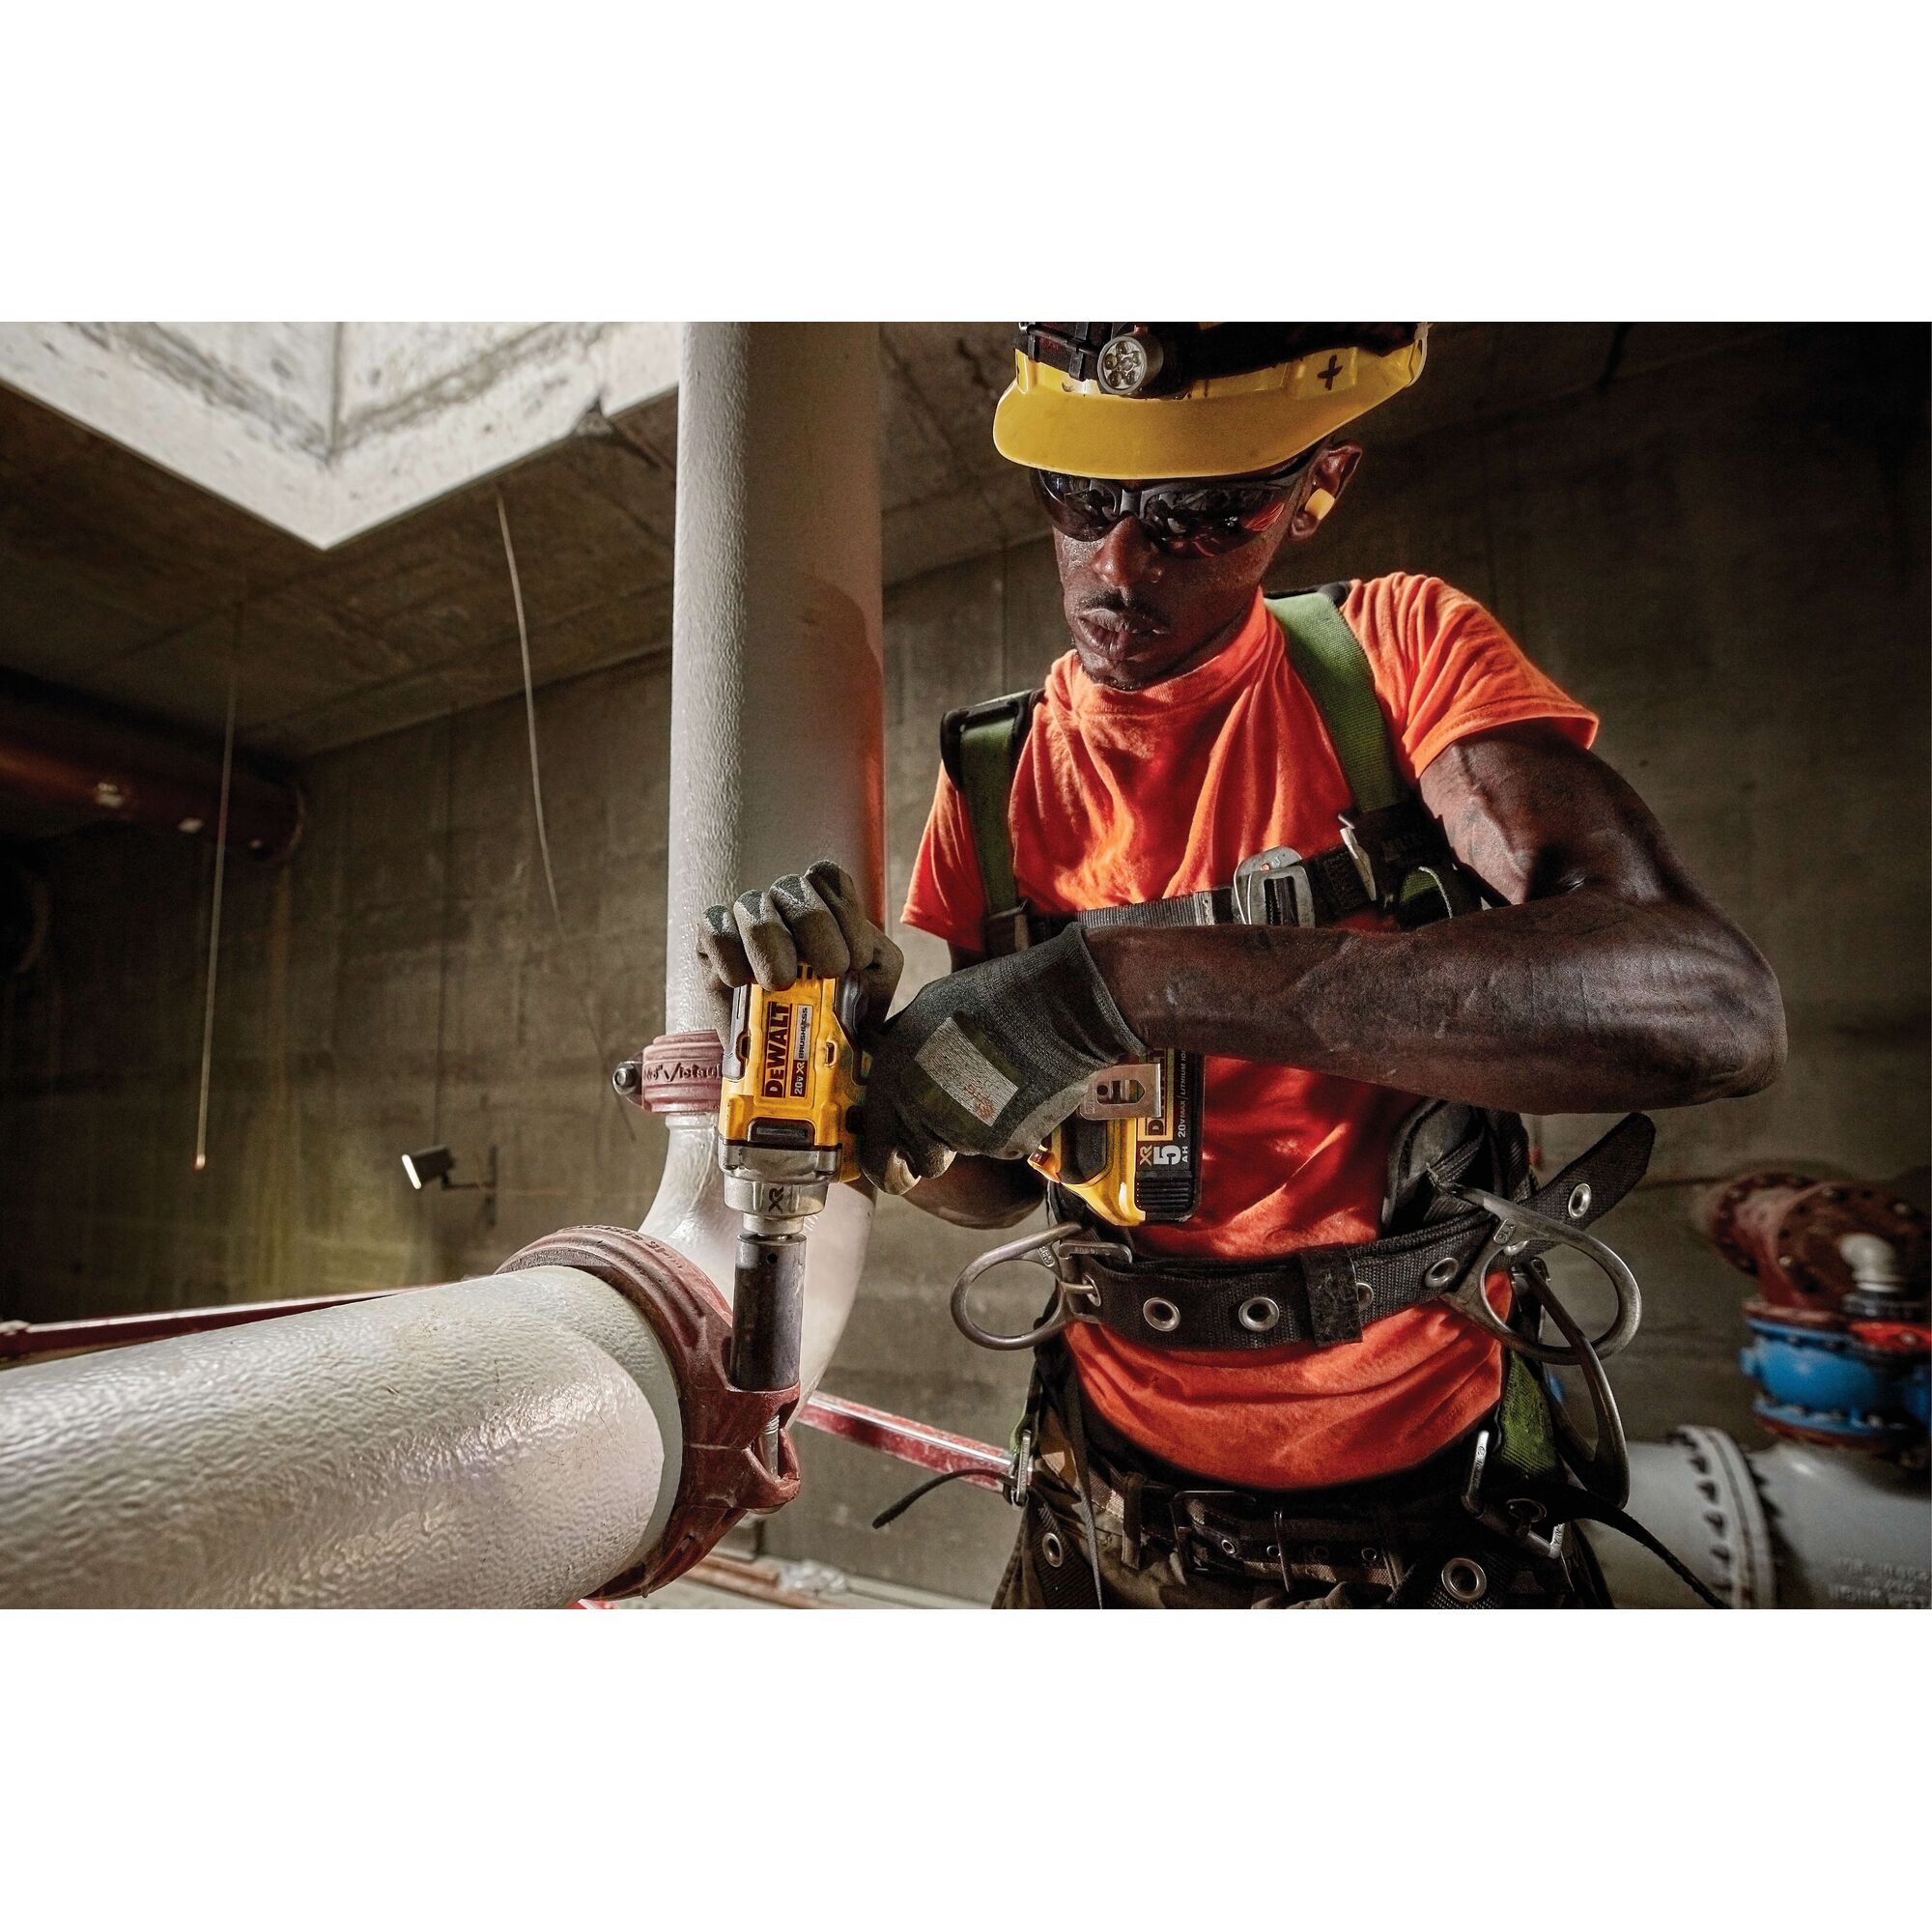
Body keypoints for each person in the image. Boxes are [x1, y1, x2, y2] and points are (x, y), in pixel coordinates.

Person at [698, 324, 1786, 1608]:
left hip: (1431, 1490)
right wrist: (890, 1098)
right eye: (1081, 496)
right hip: (1105, 1491)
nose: (1119, 561)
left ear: (1317, 488)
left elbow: (1710, 1007)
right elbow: (1001, 1187)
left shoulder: (1391, 659)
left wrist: (1119, 986)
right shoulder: (999, 777)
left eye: (1201, 513)